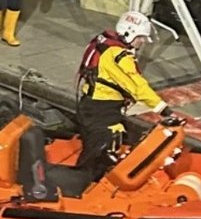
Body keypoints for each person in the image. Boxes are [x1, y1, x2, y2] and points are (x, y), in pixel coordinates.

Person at [74, 11, 173, 176]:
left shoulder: (105, 43)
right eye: (140, 37)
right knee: (99, 152)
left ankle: (85, 179)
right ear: (129, 32)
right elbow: (137, 86)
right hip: (103, 109)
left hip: (89, 104)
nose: (142, 42)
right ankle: (86, 185)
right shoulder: (120, 56)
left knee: (92, 146)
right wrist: (163, 109)